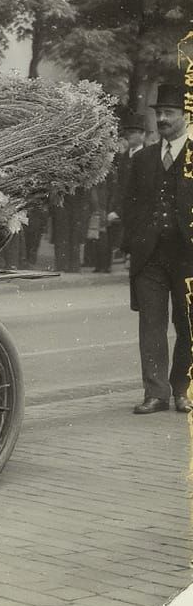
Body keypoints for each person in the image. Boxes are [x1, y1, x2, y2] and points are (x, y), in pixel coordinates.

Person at [120, 84, 192, 415]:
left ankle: (181, 388)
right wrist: (131, 244)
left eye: (169, 113)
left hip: (188, 257)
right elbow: (130, 204)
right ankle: (156, 393)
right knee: (151, 323)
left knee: (188, 323)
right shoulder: (145, 158)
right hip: (149, 256)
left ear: (186, 115)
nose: (161, 118)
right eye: (158, 112)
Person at [105, 113, 148, 269]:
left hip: (140, 206)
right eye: (128, 132)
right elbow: (120, 185)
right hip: (124, 204)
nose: (129, 136)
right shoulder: (123, 158)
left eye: (133, 132)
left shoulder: (150, 156)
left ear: (143, 135)